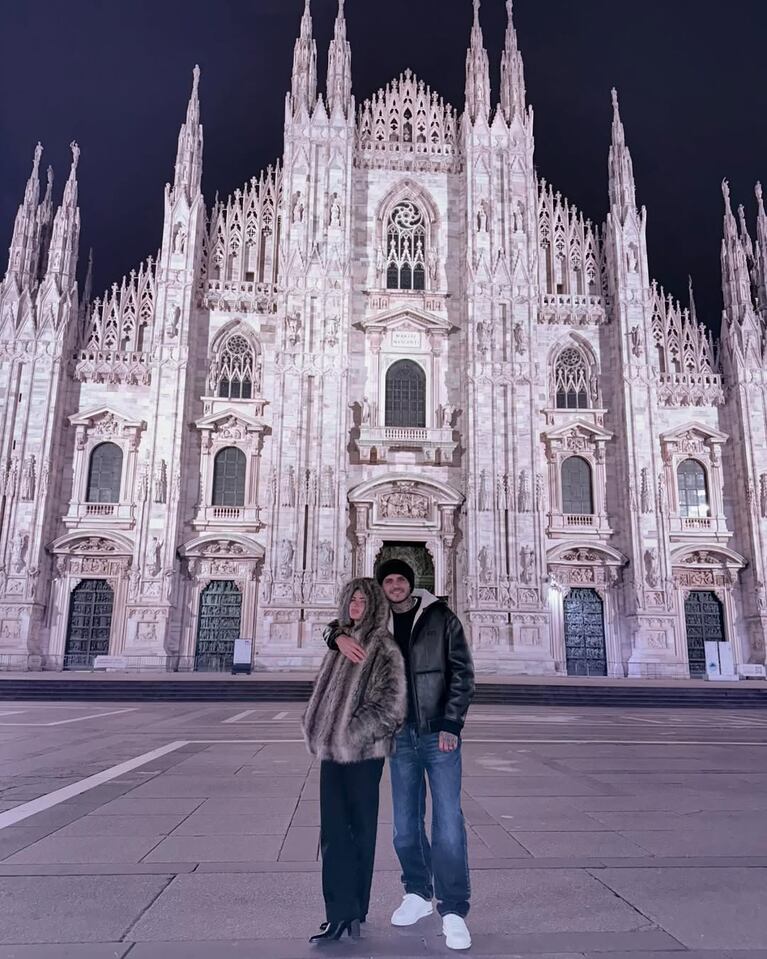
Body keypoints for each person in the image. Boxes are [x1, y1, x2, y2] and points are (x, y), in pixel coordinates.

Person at [324, 559, 475, 951]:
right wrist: (335, 636)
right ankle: (418, 892)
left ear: (412, 582)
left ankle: (453, 909)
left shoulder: (441, 616)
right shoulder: (379, 621)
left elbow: (462, 672)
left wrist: (452, 723)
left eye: (400, 579)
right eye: (388, 580)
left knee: (448, 824)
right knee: (405, 826)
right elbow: (342, 623)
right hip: (400, 736)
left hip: (438, 733)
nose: (394, 585)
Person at [302, 577, 407, 944]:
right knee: (333, 832)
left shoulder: (384, 647)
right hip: (333, 751)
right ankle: (338, 912)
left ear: (374, 605)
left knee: (359, 830)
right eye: (352, 599)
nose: (356, 606)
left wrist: (350, 733)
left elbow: (391, 707)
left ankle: (354, 909)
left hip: (362, 752)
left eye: (363, 600)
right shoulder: (340, 641)